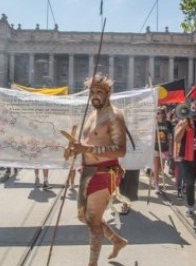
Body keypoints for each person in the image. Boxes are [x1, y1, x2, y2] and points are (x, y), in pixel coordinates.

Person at [63, 73, 128, 266]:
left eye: (99, 92)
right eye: (92, 93)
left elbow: (121, 150)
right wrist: (73, 149)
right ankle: (117, 240)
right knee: (85, 217)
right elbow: (86, 143)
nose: (94, 97)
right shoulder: (91, 116)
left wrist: (87, 149)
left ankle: (92, 264)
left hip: (105, 173)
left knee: (92, 222)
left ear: (108, 93)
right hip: (88, 172)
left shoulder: (115, 115)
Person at [152, 106, 173, 194]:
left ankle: (155, 180)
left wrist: (171, 149)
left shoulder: (168, 123)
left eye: (162, 112)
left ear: (164, 113)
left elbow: (170, 137)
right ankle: (156, 184)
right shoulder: (154, 123)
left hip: (164, 148)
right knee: (156, 167)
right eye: (158, 112)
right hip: (155, 148)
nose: (160, 114)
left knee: (161, 167)